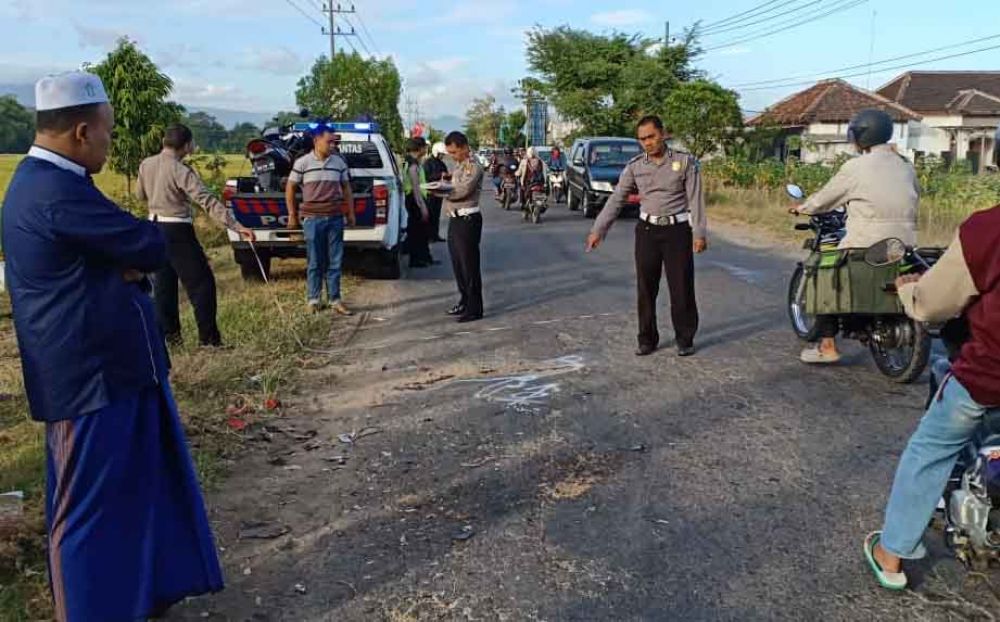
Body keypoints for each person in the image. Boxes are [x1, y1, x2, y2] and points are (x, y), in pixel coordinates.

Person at [1, 71, 223, 621]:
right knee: (88, 509)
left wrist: (116, 264)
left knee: (140, 489)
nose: (110, 141)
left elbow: (131, 246)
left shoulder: (63, 183)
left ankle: (139, 595)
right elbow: (149, 244)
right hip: (89, 378)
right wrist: (120, 264)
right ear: (82, 131)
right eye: (108, 131)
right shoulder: (53, 191)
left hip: (118, 370)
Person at [864, 203, 1000, 590]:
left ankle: (891, 553)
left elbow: (932, 304)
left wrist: (910, 291)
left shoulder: (987, 228)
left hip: (988, 376)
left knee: (931, 447)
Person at [790, 109, 919, 365]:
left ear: (861, 136)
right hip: (904, 243)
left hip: (867, 243)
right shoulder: (906, 166)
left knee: (824, 272)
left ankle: (827, 346)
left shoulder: (856, 167)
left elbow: (826, 197)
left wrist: (804, 207)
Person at [585, 115, 707, 357]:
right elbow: (617, 198)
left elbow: (696, 200)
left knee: (681, 287)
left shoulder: (684, 162)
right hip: (647, 231)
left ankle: (685, 338)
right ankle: (647, 339)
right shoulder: (635, 166)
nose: (647, 143)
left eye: (651, 136)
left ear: (663, 134)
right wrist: (598, 230)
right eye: (642, 139)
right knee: (646, 287)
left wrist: (699, 233)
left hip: (677, 231)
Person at [137, 124, 253, 347]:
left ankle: (171, 338)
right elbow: (206, 201)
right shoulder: (180, 170)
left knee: (163, 286)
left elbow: (140, 195)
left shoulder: (146, 164)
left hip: (153, 227)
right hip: (177, 229)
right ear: (187, 145)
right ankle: (208, 340)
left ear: (164, 141)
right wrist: (235, 225)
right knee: (201, 284)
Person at [286, 122, 355, 315]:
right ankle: (313, 299)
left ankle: (335, 300)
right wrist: (292, 215)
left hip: (335, 217)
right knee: (315, 261)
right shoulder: (303, 163)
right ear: (316, 140)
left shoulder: (339, 163)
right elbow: (290, 187)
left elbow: (346, 189)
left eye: (334, 142)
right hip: (312, 219)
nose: (332, 145)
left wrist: (350, 213)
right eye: (329, 142)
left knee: (335, 261)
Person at [440, 131, 485, 323]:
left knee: (469, 266)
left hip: (468, 219)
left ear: (465, 147)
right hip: (455, 219)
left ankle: (475, 308)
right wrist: (446, 181)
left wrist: (442, 191)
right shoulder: (460, 165)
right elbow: (455, 183)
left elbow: (464, 190)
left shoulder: (473, 165)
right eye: (450, 152)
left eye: (454, 152)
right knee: (458, 265)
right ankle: (464, 300)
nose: (452, 156)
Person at [403, 137, 433, 268]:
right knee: (416, 231)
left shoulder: (410, 163)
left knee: (420, 231)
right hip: (414, 200)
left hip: (413, 199)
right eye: (424, 147)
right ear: (419, 148)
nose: (426, 149)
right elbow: (415, 188)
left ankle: (423, 257)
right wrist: (422, 207)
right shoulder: (413, 166)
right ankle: (416, 259)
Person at [424, 141, 449, 242]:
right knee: (430, 214)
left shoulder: (441, 163)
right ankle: (428, 236)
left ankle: (435, 235)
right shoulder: (428, 163)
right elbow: (426, 177)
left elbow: (446, 174)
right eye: (441, 154)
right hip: (430, 193)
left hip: (439, 192)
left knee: (436, 215)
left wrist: (447, 176)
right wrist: (439, 176)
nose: (442, 156)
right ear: (436, 152)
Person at [518, 146, 548, 213]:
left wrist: (516, 174)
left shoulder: (524, 161)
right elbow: (545, 173)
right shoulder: (541, 162)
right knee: (544, 192)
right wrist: (545, 183)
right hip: (540, 182)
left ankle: (522, 203)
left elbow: (519, 172)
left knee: (522, 189)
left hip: (529, 182)